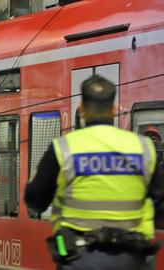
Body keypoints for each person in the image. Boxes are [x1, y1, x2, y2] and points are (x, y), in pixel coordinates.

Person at [25, 75, 164, 270]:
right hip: (130, 259)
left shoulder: (64, 148)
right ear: (114, 110)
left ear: (81, 109)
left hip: (78, 258)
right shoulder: (143, 148)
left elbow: (36, 201)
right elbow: (159, 202)